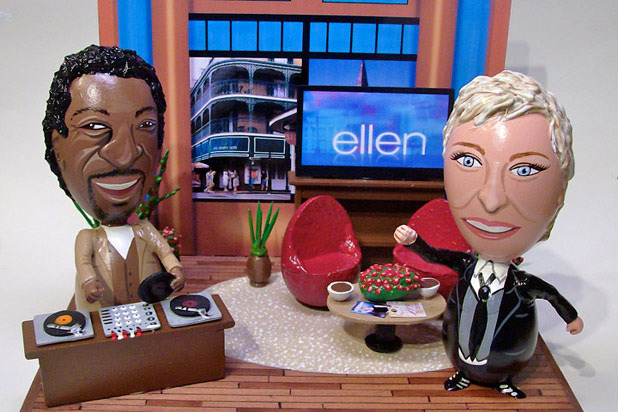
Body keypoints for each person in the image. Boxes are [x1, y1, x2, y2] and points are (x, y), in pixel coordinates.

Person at [394, 71, 583, 398]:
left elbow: (551, 295)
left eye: (525, 170)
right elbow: (435, 256)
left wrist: (571, 317)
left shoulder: (522, 285)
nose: (492, 200)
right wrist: (415, 242)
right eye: (468, 161)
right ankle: (464, 372)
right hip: (459, 351)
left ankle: (504, 379)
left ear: (560, 194)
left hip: (508, 358)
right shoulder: (465, 267)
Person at [43, 45, 185, 311]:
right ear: (57, 149)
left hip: (150, 314)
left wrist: (174, 269)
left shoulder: (145, 230)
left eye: (145, 125)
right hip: (101, 317)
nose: (125, 156)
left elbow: (165, 252)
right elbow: (84, 264)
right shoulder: (89, 238)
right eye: (94, 126)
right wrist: (89, 283)